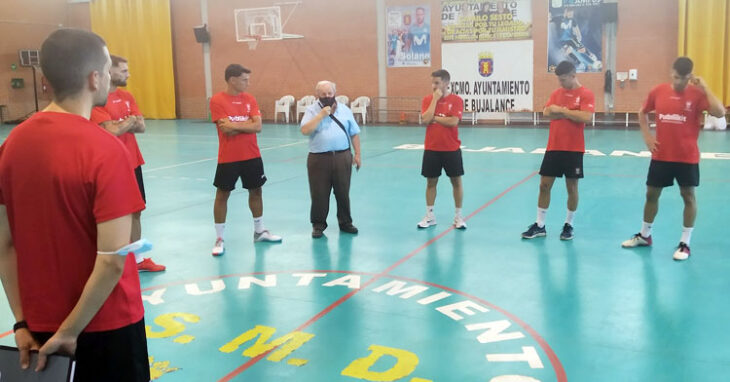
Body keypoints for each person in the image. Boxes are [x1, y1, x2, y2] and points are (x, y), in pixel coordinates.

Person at [0, 28, 149, 381]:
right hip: (106, 324)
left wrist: (20, 321)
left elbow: (5, 245)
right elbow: (111, 261)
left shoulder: (12, 145)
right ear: (94, 78)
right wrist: (70, 331)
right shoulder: (105, 149)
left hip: (37, 326)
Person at [621, 57, 725, 261]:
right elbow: (642, 112)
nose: (680, 82)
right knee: (651, 195)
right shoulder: (658, 91)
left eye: (684, 79)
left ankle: (685, 243)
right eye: (677, 77)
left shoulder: (697, 94)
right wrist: (647, 137)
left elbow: (720, 112)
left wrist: (705, 87)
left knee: (688, 196)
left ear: (690, 76)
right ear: (672, 72)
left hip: (687, 157)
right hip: (661, 156)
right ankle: (645, 235)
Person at [90, 55, 165, 272]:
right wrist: (129, 121)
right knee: (111, 214)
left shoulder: (127, 96)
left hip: (133, 162)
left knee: (136, 210)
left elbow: (141, 126)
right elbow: (110, 131)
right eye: (123, 71)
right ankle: (109, 260)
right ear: (109, 72)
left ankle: (139, 260)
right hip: (110, 167)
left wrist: (123, 123)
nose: (128, 74)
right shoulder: (98, 99)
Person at [209, 64, 281, 256]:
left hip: (252, 155)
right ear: (232, 80)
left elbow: (257, 126)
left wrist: (235, 124)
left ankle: (259, 231)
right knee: (222, 195)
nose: (248, 83)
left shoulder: (250, 99)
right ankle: (219, 238)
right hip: (228, 158)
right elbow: (225, 129)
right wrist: (245, 123)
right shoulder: (217, 100)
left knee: (256, 191)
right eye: (244, 80)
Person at [522, 61, 594, 240]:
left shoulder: (586, 94)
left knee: (572, 187)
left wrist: (561, 110)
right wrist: (571, 113)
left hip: (574, 149)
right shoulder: (556, 93)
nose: (561, 83)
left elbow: (585, 116)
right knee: (544, 185)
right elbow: (547, 112)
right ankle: (540, 225)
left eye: (563, 80)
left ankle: (569, 225)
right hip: (554, 147)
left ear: (572, 75)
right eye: (559, 80)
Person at [300, 80, 362, 238]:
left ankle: (346, 223)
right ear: (317, 95)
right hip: (318, 159)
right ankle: (318, 225)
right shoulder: (311, 110)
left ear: (335, 93)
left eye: (329, 93)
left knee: (343, 192)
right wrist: (321, 115)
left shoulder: (345, 110)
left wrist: (357, 154)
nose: (327, 96)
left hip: (342, 156)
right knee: (319, 193)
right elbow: (305, 130)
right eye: (323, 94)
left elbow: (354, 133)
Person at [417, 69, 466, 230]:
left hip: (451, 148)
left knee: (456, 182)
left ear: (446, 83)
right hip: (432, 148)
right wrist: (435, 101)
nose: (434, 86)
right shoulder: (427, 99)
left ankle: (458, 217)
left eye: (437, 83)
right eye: (433, 82)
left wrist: (435, 118)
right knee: (431, 182)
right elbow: (424, 119)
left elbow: (453, 122)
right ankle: (430, 216)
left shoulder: (457, 100)